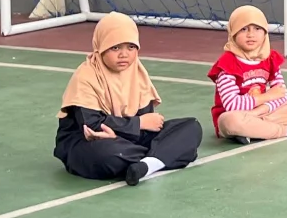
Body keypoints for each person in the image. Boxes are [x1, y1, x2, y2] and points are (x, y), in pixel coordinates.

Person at [53, 12, 203, 185]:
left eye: (131, 47)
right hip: (91, 142)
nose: (124, 54)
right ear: (101, 47)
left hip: (128, 140)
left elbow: (148, 127)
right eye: (115, 48)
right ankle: (163, 156)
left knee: (191, 127)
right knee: (108, 154)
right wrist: (138, 124)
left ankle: (146, 165)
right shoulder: (86, 76)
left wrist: (138, 126)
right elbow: (92, 125)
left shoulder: (137, 73)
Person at [210, 4, 287, 142]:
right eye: (243, 29)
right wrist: (267, 96)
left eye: (257, 28)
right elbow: (232, 105)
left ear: (265, 32)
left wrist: (259, 111)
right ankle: (285, 130)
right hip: (237, 116)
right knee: (231, 121)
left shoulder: (270, 58)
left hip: (263, 112)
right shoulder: (227, 64)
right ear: (233, 33)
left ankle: (256, 129)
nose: (251, 34)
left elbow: (281, 95)